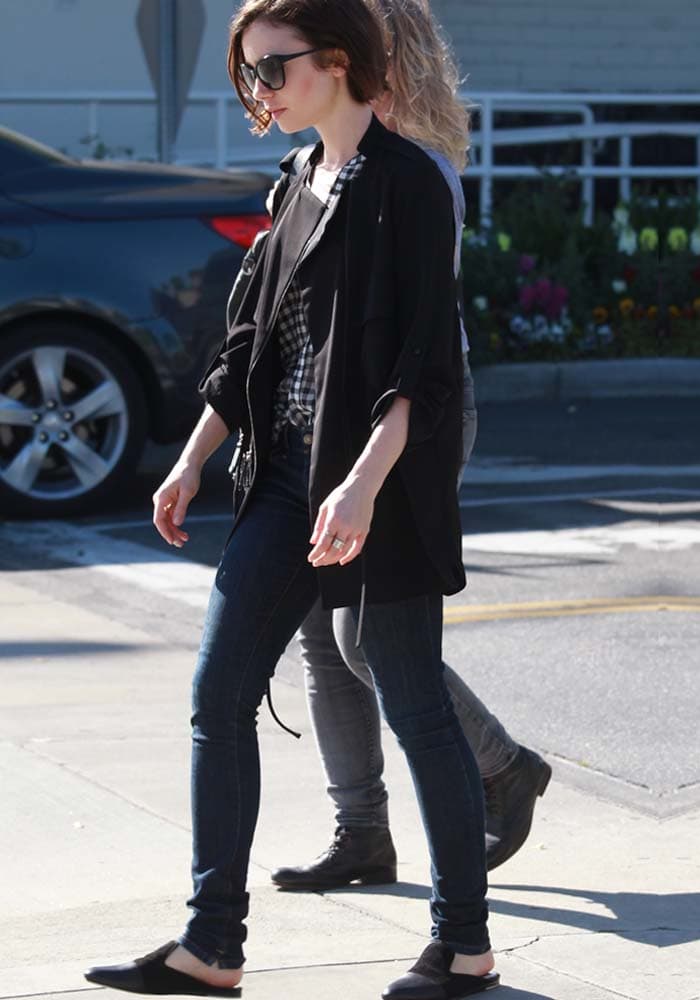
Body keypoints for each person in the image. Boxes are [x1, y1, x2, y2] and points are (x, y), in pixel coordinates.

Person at [85, 0, 500, 995]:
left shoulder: (409, 182)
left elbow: (425, 366)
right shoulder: (296, 180)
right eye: (246, 72)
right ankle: (211, 946)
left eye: (272, 69)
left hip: (377, 483)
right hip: (280, 480)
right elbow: (249, 348)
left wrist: (362, 485)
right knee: (218, 696)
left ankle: (465, 944)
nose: (257, 90)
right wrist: (191, 458)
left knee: (414, 704)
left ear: (340, 61)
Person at [271, 0, 551, 894]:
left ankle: (502, 766)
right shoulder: (323, 159)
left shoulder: (416, 169)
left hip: (412, 415)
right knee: (321, 635)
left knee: (368, 638)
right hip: (327, 416)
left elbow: (411, 338)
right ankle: (361, 831)